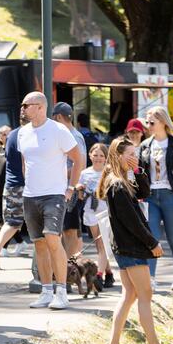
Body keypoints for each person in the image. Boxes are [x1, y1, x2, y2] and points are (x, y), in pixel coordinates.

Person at [100, 137, 173, 344]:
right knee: (145, 295)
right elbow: (132, 222)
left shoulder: (122, 180)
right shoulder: (116, 184)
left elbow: (144, 192)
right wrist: (152, 243)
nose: (134, 157)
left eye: (136, 153)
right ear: (118, 155)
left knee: (130, 295)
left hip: (126, 247)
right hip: (130, 248)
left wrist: (138, 169)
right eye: (130, 154)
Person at [18, 92, 83, 310]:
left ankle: (62, 291)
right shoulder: (22, 133)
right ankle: (46, 291)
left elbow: (78, 157)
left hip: (53, 194)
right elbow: (25, 161)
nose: (23, 109)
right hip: (30, 195)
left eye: (26, 105)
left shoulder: (58, 130)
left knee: (53, 239)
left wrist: (70, 187)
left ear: (40, 107)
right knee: (39, 244)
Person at [138, 106, 173, 290]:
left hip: (172, 196)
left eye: (152, 122)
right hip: (151, 196)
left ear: (162, 122)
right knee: (151, 237)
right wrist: (138, 195)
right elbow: (140, 172)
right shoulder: (145, 145)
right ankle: (150, 277)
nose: (149, 126)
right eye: (147, 122)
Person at [0, 119, 32, 266]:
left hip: (9, 186)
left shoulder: (11, 137)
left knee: (11, 222)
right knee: (37, 223)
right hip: (25, 185)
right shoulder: (27, 135)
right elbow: (26, 161)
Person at [51, 102, 87, 259]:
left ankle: (69, 270)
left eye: (52, 118)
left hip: (70, 189)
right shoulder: (64, 135)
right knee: (63, 230)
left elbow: (81, 164)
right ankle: (63, 268)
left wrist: (57, 173)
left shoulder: (74, 136)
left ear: (58, 117)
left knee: (70, 230)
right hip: (62, 188)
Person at [76, 143, 114, 288]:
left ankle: (98, 275)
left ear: (106, 158)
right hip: (90, 211)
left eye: (101, 156)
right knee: (99, 245)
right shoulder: (85, 173)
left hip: (106, 211)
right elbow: (80, 196)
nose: (98, 158)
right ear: (90, 155)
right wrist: (80, 190)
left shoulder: (109, 172)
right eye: (95, 155)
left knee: (104, 244)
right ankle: (109, 273)